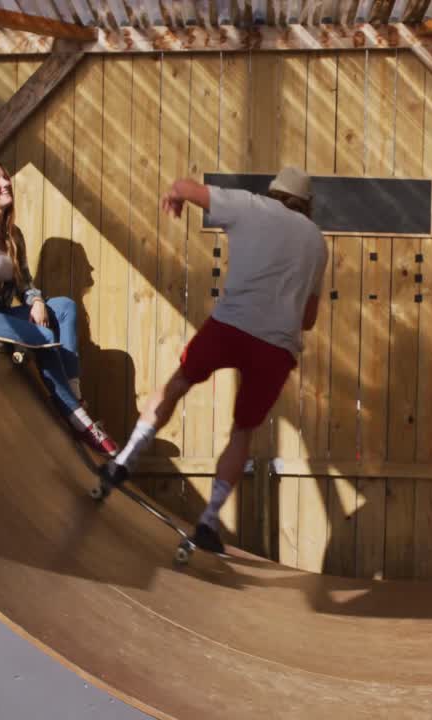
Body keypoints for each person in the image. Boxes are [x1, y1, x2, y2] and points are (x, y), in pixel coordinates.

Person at [101, 167, 327, 553]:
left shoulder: (249, 206)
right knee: (243, 431)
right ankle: (208, 521)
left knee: (177, 385)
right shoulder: (318, 243)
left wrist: (175, 195)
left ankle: (123, 461)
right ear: (307, 205)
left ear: (274, 192)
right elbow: (308, 319)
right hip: (277, 346)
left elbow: (185, 186)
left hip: (231, 326)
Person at [0, 163, 118, 458]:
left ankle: (72, 396)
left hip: (1, 313)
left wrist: (35, 301)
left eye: (6, 178)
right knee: (41, 336)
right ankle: (82, 422)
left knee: (63, 308)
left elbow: (26, 283)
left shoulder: (13, 235)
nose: (5, 184)